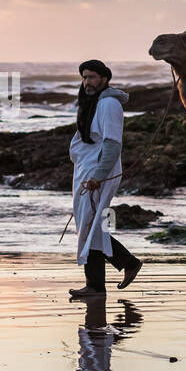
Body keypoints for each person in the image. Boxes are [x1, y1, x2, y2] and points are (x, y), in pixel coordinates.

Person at [69, 59, 142, 297]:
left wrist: (99, 176)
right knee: (90, 226)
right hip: (86, 170)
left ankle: (107, 277)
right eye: (84, 77)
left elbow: (112, 144)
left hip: (99, 172)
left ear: (104, 78)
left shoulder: (109, 104)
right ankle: (105, 279)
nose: (86, 82)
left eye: (91, 77)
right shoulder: (92, 102)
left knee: (91, 226)